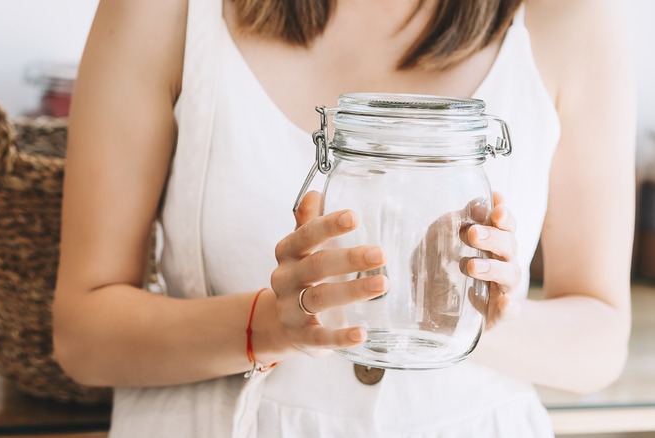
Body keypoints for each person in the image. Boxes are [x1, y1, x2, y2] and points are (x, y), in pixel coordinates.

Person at [52, 0, 635, 436]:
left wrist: (473, 315)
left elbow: (601, 340)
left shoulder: (571, 19)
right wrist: (268, 324)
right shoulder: (163, 11)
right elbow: (83, 335)